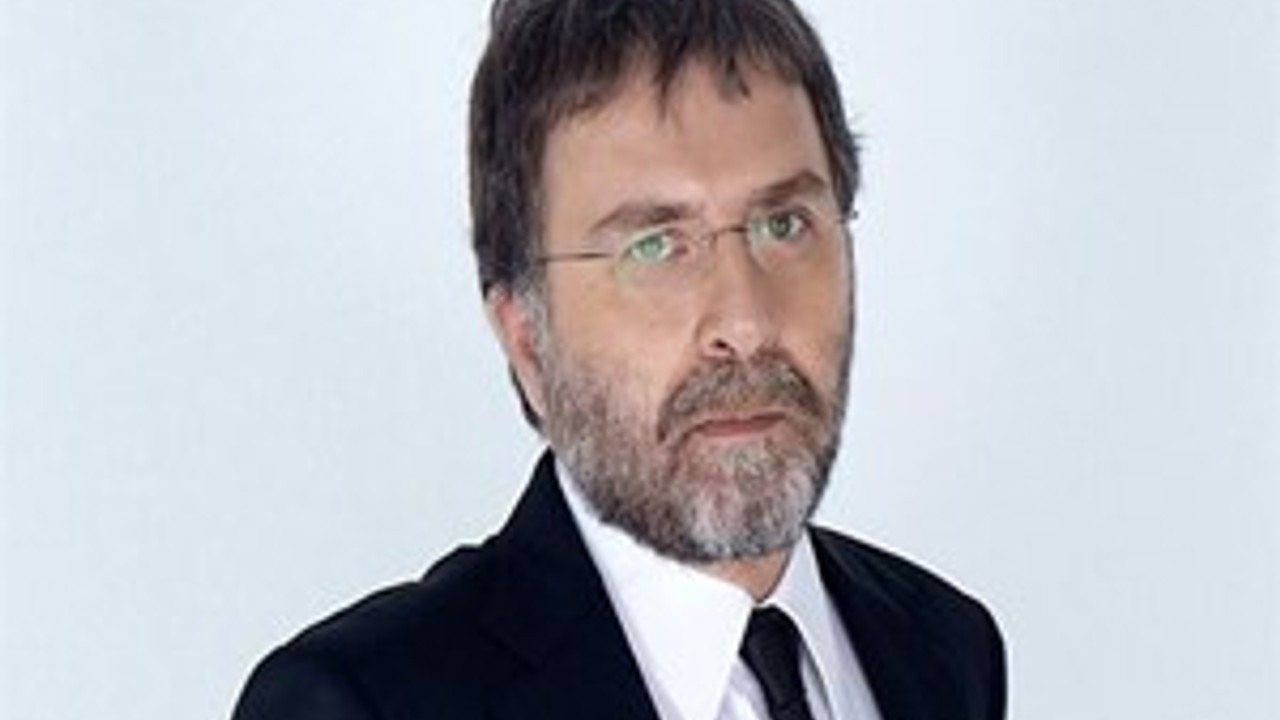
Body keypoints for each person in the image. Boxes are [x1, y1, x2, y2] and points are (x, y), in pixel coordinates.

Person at [231, 0, 1007, 718]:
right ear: (527, 336)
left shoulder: (943, 648)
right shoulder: (360, 703)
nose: (744, 323)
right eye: (655, 246)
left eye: (784, 225)